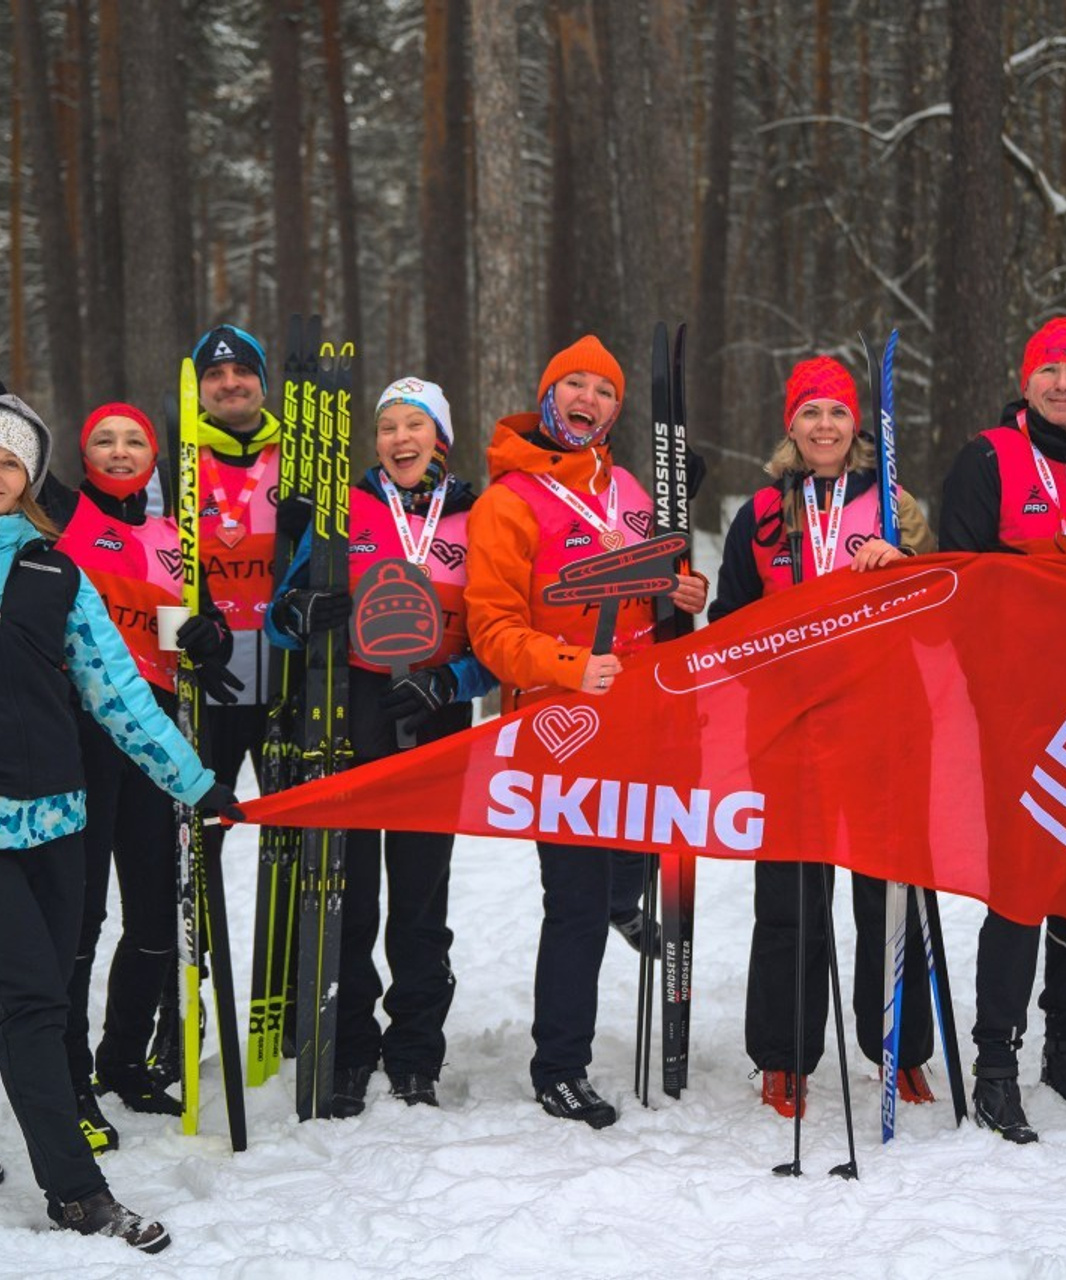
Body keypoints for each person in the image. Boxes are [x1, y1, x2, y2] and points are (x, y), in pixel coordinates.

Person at [0, 391, 238, 1252]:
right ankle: (77, 1192)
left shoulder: (55, 571)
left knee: (40, 983)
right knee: (28, 997)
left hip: (57, 821)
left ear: (29, 474)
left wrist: (196, 782)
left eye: (7, 460)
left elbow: (120, 695)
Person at [464, 335, 708, 1128]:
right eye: (573, 385)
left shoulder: (632, 490)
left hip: (639, 716)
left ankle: (619, 899)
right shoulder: (508, 502)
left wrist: (681, 593)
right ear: (547, 397)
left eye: (604, 391)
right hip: (559, 718)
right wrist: (570, 664)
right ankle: (559, 1066)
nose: (589, 400)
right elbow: (492, 632)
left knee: (622, 878)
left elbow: (653, 588)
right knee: (573, 900)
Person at [709, 355, 937, 1117]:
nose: (825, 427)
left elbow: (940, 611)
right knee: (791, 899)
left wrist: (902, 567)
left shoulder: (892, 504)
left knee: (889, 893)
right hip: (788, 731)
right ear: (791, 425)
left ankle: (898, 1048)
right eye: (811, 413)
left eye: (837, 413)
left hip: (880, 726)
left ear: (856, 425)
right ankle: (782, 1055)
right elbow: (729, 622)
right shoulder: (764, 514)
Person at [265, 377, 493, 1118]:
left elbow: (497, 642)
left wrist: (451, 683)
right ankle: (350, 1044)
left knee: (422, 899)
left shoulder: (479, 518)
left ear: (440, 440)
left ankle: (416, 1052)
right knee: (352, 892)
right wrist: (301, 608)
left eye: (414, 425)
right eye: (388, 425)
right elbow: (278, 620)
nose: (399, 438)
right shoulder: (347, 512)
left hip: (434, 714)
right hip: (352, 709)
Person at [939, 316, 1066, 1143]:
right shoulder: (988, 457)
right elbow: (961, 578)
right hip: (1013, 703)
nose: (1061, 384)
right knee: (1019, 884)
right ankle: (996, 1063)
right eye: (1048, 370)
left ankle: (1065, 1046)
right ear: (1027, 379)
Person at [151, 323, 280, 1080]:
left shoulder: (300, 461)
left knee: (296, 851)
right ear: (198, 388)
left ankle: (290, 1008)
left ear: (263, 382)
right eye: (216, 374)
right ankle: (181, 1018)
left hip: (292, 685)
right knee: (193, 856)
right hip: (210, 687)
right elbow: (142, 581)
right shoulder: (175, 469)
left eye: (243, 372)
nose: (230, 384)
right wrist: (183, 631)